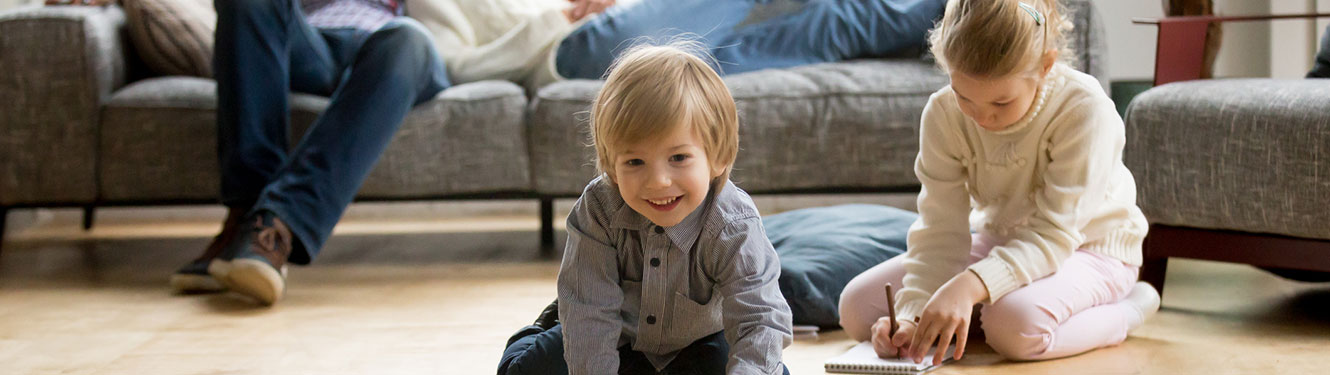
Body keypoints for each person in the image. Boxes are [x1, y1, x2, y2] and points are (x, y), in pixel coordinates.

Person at [837, 0, 1162, 364]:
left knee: (1014, 330)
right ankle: (979, 311)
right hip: (1002, 242)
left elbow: (1054, 234)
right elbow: (940, 228)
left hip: (1090, 248)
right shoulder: (942, 112)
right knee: (857, 309)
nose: (982, 117)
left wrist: (966, 286)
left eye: (1002, 102)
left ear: (1045, 66)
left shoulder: (1084, 109)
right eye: (964, 96)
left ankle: (1129, 309)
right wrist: (913, 316)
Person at [496, 43, 793, 375]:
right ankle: (544, 326)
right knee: (522, 370)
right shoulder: (599, 209)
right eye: (635, 161)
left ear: (719, 157)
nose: (659, 181)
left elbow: (760, 319)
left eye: (678, 158)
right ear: (611, 166)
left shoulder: (733, 225)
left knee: (769, 370)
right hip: (616, 334)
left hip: (698, 340)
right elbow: (591, 316)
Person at [168, 0, 451, 306]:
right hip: (313, 42)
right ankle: (250, 228)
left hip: (393, 46)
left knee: (409, 39)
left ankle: (268, 228)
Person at [409, 0, 946, 91]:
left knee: (830, 22)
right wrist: (553, 16)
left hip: (652, 53)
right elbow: (449, 66)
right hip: (573, 51)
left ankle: (947, 12)